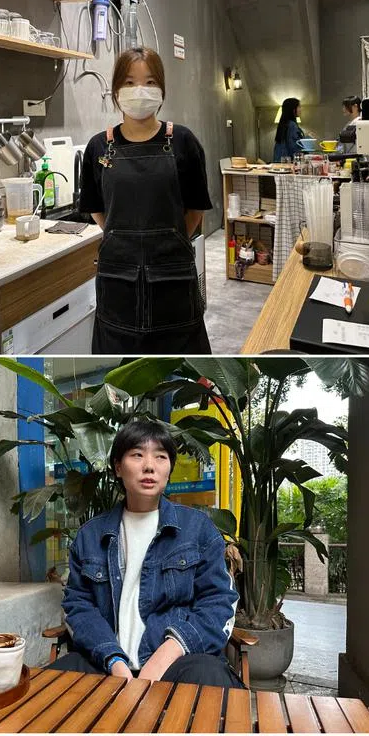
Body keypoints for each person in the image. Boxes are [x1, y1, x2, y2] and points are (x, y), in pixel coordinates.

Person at [47, 420, 241, 688]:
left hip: (178, 663)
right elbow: (78, 606)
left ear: (169, 469)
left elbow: (219, 602)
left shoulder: (197, 529)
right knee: (50, 685)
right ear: (118, 467)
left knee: (210, 677)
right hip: (106, 665)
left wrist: (166, 654)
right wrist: (113, 659)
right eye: (137, 455)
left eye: (160, 457)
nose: (149, 466)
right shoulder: (90, 536)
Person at [79, 47, 213, 354]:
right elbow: (96, 209)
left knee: (182, 365)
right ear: (116, 90)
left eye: (150, 82)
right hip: (118, 282)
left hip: (173, 281)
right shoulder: (98, 147)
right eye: (129, 82)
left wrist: (170, 239)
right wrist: (121, 237)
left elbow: (195, 209)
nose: (140, 90)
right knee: (119, 368)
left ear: (162, 89)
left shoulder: (183, 142)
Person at [273, 97, 308, 163]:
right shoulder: (292, 125)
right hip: (288, 163)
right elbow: (295, 148)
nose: (301, 109)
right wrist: (308, 139)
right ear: (293, 109)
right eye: (299, 107)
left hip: (279, 162)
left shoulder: (283, 124)